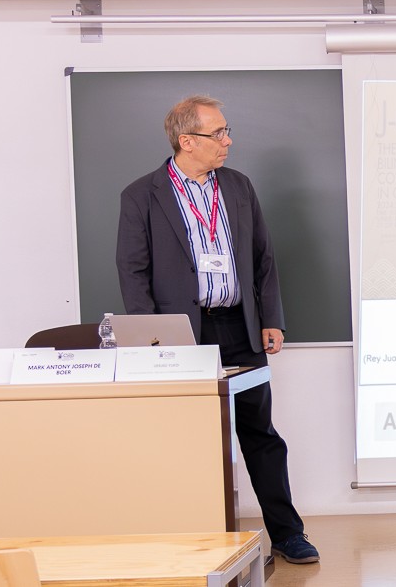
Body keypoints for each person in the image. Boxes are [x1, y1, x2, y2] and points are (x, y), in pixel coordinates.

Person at [115, 95, 320, 564]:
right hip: (182, 336)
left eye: (227, 131)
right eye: (219, 133)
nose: (228, 141)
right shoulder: (141, 195)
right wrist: (154, 341)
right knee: (188, 439)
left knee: (260, 433)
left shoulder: (238, 186)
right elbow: (133, 271)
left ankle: (287, 534)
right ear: (187, 141)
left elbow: (264, 257)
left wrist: (271, 318)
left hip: (240, 328)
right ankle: (199, 538)